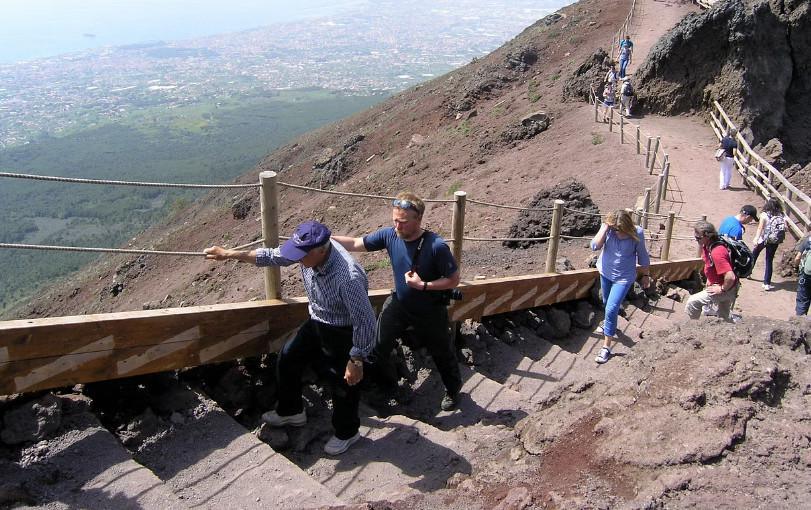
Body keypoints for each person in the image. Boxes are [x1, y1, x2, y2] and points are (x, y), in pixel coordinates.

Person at [204, 220, 376, 456]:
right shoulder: (309, 254)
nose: (296, 260)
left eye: (301, 255)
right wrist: (231, 254)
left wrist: (356, 359)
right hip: (318, 319)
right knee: (288, 356)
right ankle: (292, 411)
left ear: (321, 251)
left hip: (342, 330)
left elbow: (365, 320)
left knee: (342, 384)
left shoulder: (348, 277)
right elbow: (275, 256)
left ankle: (347, 432)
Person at [333, 192, 463, 411]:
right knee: (377, 345)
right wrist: (326, 238)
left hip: (430, 309)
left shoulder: (436, 246)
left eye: (402, 221)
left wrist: (424, 286)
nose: (397, 225)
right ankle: (382, 387)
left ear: (418, 220)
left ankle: (452, 389)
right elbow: (356, 243)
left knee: (442, 351)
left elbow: (453, 279)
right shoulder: (391, 235)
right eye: (394, 219)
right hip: (400, 303)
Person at [590, 210, 651, 364]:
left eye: (620, 229)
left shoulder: (637, 233)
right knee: (606, 303)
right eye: (615, 229)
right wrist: (604, 228)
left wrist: (645, 275)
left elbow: (643, 256)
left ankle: (606, 347)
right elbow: (594, 246)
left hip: (623, 278)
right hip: (605, 272)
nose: (617, 232)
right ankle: (608, 324)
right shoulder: (609, 230)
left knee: (611, 308)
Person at [685, 221, 740, 321]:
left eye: (698, 238)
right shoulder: (708, 246)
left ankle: (692, 328)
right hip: (726, 285)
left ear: (708, 236)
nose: (696, 240)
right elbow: (709, 264)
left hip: (727, 287)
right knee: (723, 315)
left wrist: (722, 289)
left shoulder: (717, 252)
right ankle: (726, 326)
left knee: (692, 302)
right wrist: (710, 279)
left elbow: (730, 276)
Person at [751, 198, 786, 291]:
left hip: (763, 239)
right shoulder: (781, 215)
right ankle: (767, 283)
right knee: (769, 260)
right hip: (774, 240)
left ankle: (748, 272)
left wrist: (756, 238)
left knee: (754, 254)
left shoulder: (764, 215)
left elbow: (760, 228)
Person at [793, 233, 811, 315]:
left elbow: (797, 258)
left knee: (802, 300)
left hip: (806, 275)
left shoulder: (807, 241)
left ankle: (799, 323)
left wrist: (796, 267)